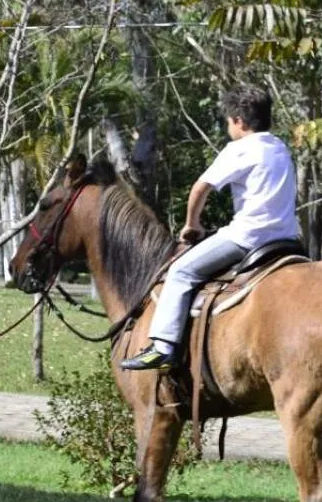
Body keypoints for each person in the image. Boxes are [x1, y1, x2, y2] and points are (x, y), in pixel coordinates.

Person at [120, 84, 299, 371]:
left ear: (239, 121)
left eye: (229, 121)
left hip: (248, 238)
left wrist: (192, 224)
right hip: (288, 239)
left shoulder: (240, 149)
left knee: (180, 271)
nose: (229, 127)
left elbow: (200, 188)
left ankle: (163, 348)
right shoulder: (280, 147)